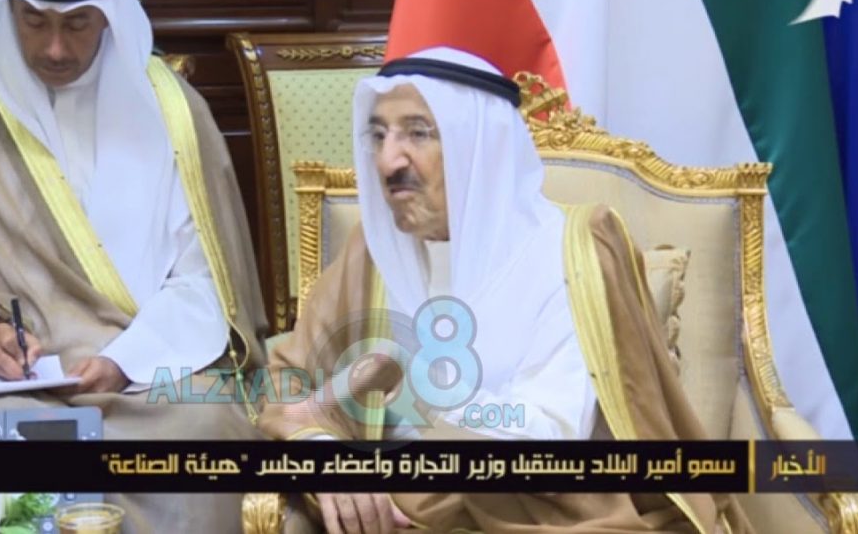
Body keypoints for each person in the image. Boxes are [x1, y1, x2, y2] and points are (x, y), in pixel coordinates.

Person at [257, 47, 756, 534]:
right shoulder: (373, 251)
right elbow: (289, 386)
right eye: (379, 135)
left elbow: (549, 434)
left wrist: (413, 388)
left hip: (553, 514)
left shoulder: (574, 248)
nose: (389, 162)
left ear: (480, 146)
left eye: (417, 133)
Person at [0, 0, 268, 531]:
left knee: (208, 428)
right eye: (34, 21)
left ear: (109, 15)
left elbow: (206, 283)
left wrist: (125, 360)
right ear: (8, 11)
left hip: (146, 377)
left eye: (77, 24)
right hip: (7, 383)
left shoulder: (172, 111)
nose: (55, 49)